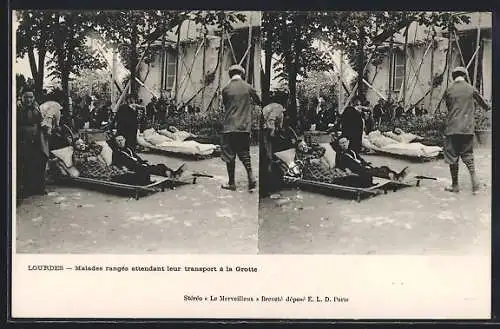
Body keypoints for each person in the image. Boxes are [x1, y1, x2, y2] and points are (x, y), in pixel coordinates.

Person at [443, 66, 492, 195]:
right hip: (467, 129)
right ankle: (475, 186)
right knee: (468, 156)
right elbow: (486, 106)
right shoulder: (471, 89)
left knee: (453, 157)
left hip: (452, 128)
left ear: (454, 76)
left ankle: (455, 186)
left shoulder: (449, 90)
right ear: (465, 76)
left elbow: (449, 107)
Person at [220, 64, 261, 191]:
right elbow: (259, 101)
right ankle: (251, 177)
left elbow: (226, 104)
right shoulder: (248, 87)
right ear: (242, 74)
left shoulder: (225, 89)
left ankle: (231, 183)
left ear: (230, 75)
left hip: (229, 126)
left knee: (229, 155)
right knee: (244, 153)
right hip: (244, 127)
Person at [17, 89, 50, 198]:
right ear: (22, 98)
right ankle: (27, 189)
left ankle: (39, 187)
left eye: (31, 97)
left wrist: (45, 127)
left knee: (39, 162)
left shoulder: (37, 108)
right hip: (24, 140)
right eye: (26, 97)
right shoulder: (19, 109)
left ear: (34, 98)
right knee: (26, 164)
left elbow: (41, 121)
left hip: (37, 140)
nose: (28, 99)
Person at [111, 135, 185, 182]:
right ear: (116, 142)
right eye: (118, 141)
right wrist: (123, 168)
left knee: (160, 165)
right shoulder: (116, 153)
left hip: (140, 165)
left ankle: (172, 173)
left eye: (122, 140)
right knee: (150, 170)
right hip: (133, 168)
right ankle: (171, 175)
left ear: (125, 140)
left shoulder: (128, 149)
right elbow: (116, 163)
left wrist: (143, 162)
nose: (121, 142)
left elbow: (136, 157)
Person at [335, 136, 408, 184]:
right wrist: (346, 169)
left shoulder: (352, 151)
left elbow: (360, 159)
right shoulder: (340, 155)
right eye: (341, 143)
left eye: (345, 142)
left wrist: (366, 164)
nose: (344, 144)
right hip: (357, 170)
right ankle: (392, 177)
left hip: (363, 167)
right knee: (375, 173)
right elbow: (339, 165)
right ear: (339, 145)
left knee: (383, 168)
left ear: (348, 142)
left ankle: (396, 175)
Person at [260, 101, 286, 196]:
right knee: (268, 157)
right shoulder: (279, 108)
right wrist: (273, 132)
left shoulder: (271, 106)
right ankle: (268, 186)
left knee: (267, 156)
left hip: (264, 130)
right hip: (267, 131)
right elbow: (272, 121)